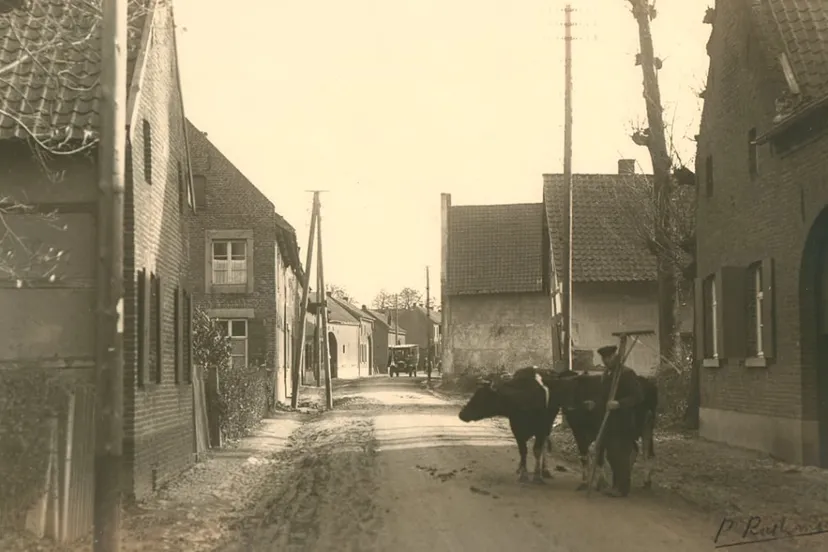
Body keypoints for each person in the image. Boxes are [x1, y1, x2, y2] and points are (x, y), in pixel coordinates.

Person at [593, 344, 643, 498]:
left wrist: (619, 404)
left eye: (609, 358)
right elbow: (604, 397)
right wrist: (595, 404)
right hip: (609, 422)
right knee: (611, 455)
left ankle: (622, 488)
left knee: (620, 455)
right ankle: (616, 485)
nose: (606, 361)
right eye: (604, 358)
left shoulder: (627, 374)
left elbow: (638, 396)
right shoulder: (608, 375)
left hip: (623, 421)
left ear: (616, 357)